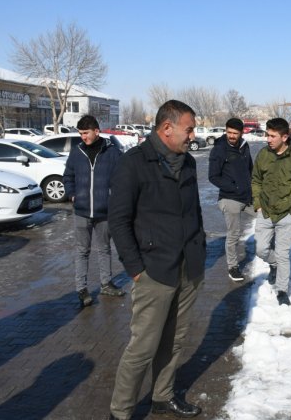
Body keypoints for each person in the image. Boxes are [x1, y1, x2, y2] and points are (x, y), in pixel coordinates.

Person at [108, 100, 206, 420]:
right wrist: (136, 269)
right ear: (167, 129)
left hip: (187, 267)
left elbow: (194, 213)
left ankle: (162, 397)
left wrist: (199, 251)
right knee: (143, 348)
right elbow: (119, 221)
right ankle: (120, 412)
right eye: (189, 129)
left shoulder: (188, 163)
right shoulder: (133, 164)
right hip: (153, 271)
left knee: (175, 341)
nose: (193, 135)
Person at [63, 114, 124, 307]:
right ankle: (81, 289)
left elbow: (123, 178)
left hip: (104, 212)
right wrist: (72, 194)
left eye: (85, 133)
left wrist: (115, 199)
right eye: (80, 133)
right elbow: (68, 176)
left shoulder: (112, 153)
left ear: (96, 131)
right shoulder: (76, 152)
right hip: (81, 212)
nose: (83, 137)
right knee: (82, 251)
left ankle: (106, 283)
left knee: (105, 249)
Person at [252, 117, 291, 306]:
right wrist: (258, 205)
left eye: (272, 136)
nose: (267, 139)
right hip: (266, 211)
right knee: (261, 249)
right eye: (266, 135)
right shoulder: (263, 154)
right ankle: (274, 264)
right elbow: (256, 180)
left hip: (286, 213)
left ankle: (282, 290)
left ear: (284, 137)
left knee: (283, 253)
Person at [208, 117, 254, 282]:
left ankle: (270, 255)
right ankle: (233, 267)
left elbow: (250, 169)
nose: (232, 136)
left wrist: (252, 189)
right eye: (229, 132)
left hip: (247, 197)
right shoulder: (219, 149)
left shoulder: (244, 146)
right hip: (229, 198)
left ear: (241, 133)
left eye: (235, 133)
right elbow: (213, 176)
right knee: (234, 234)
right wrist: (233, 187)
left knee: (266, 218)